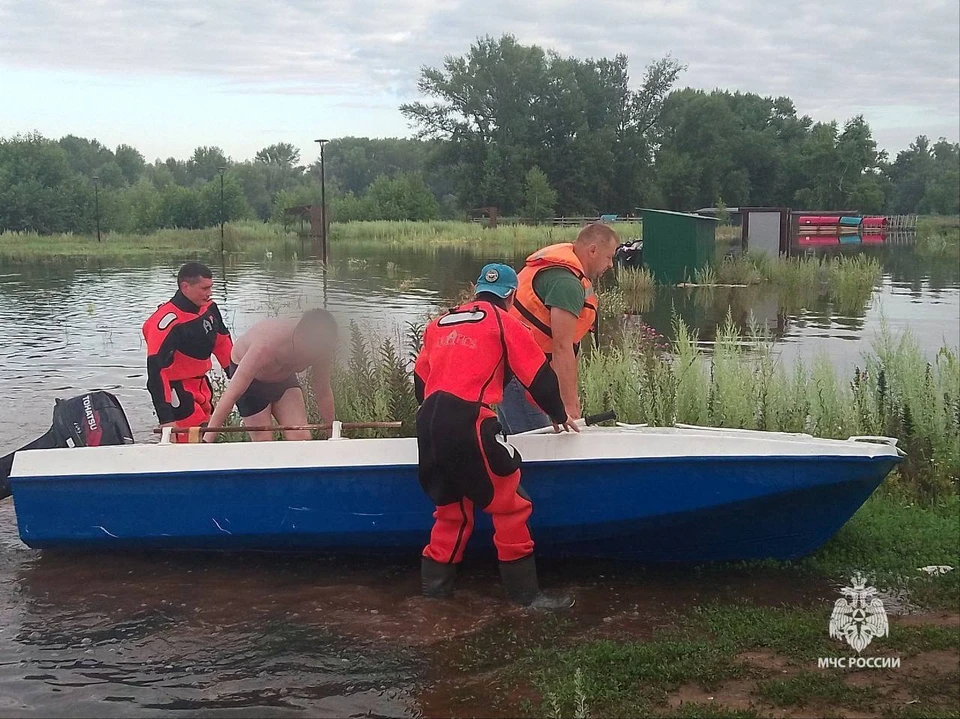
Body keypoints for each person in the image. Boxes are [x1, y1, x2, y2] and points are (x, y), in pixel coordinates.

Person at [414, 263, 579, 611]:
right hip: (470, 420)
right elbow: (537, 377)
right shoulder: (506, 323)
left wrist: (435, 422)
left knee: (452, 513)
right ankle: (526, 599)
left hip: (428, 421)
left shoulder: (438, 324)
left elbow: (420, 382)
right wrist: (559, 415)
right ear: (511, 294)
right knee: (510, 504)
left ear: (476, 290)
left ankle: (434, 599)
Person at [499, 222, 619, 434]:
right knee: (540, 452)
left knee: (520, 450)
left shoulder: (566, 272)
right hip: (523, 378)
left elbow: (568, 347)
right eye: (609, 257)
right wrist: (569, 407)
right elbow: (562, 346)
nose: (610, 265)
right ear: (592, 250)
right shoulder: (566, 283)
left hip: (515, 373)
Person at [202, 309, 338, 442]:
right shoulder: (265, 346)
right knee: (264, 442)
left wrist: (333, 435)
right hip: (252, 383)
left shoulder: (320, 350)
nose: (313, 358)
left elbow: (323, 392)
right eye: (312, 353)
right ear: (300, 338)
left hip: (283, 379)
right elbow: (231, 395)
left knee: (301, 438)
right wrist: (207, 441)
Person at [143, 262, 233, 441]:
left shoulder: (209, 308)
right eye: (204, 288)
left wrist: (239, 377)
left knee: (208, 437)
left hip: (202, 387)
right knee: (189, 444)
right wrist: (166, 419)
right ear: (185, 287)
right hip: (178, 392)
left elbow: (223, 344)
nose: (210, 293)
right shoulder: (167, 322)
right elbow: (155, 372)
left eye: (211, 287)